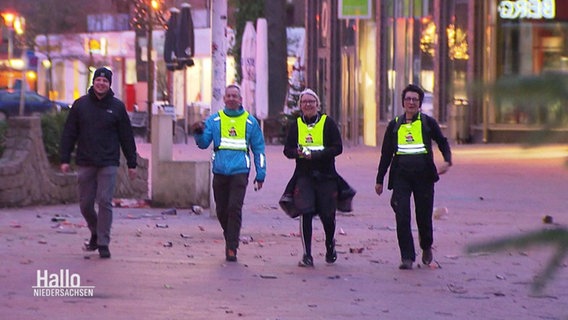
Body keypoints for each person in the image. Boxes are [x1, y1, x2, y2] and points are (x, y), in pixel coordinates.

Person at [59, 67, 137, 259]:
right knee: (85, 204)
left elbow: (126, 136)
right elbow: (69, 133)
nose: (101, 83)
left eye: (105, 81)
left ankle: (103, 242)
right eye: (98, 80)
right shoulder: (80, 105)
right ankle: (95, 231)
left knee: (104, 201)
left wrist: (132, 163)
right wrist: (64, 158)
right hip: (85, 161)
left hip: (108, 161)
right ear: (93, 82)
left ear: (109, 84)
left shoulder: (117, 107)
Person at [375, 84, 452, 270]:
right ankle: (407, 257)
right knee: (402, 215)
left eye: (415, 100)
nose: (411, 102)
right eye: (408, 99)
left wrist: (447, 160)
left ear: (419, 103)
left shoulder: (428, 123)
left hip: (424, 176)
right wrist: (380, 179)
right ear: (403, 102)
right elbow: (386, 154)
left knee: (423, 216)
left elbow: (442, 142)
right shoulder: (394, 125)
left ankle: (426, 247)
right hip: (401, 176)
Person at [191, 84, 266, 262]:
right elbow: (203, 143)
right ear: (224, 99)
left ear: (240, 100)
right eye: (229, 96)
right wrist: (198, 132)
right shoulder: (214, 121)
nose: (232, 98)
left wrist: (260, 173)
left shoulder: (250, 122)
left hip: (240, 172)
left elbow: (259, 149)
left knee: (234, 208)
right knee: (221, 210)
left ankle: (232, 247)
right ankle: (230, 235)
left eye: (235, 96)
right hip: (220, 171)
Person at [283, 88, 343, 267]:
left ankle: (330, 244)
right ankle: (307, 254)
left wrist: (318, 155)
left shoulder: (328, 123)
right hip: (304, 176)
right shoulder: (296, 125)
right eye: (304, 102)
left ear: (317, 104)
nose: (308, 105)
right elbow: (287, 150)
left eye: (311, 101)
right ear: (300, 105)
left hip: (326, 176)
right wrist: (297, 153)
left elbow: (338, 148)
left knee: (327, 216)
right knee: (305, 212)